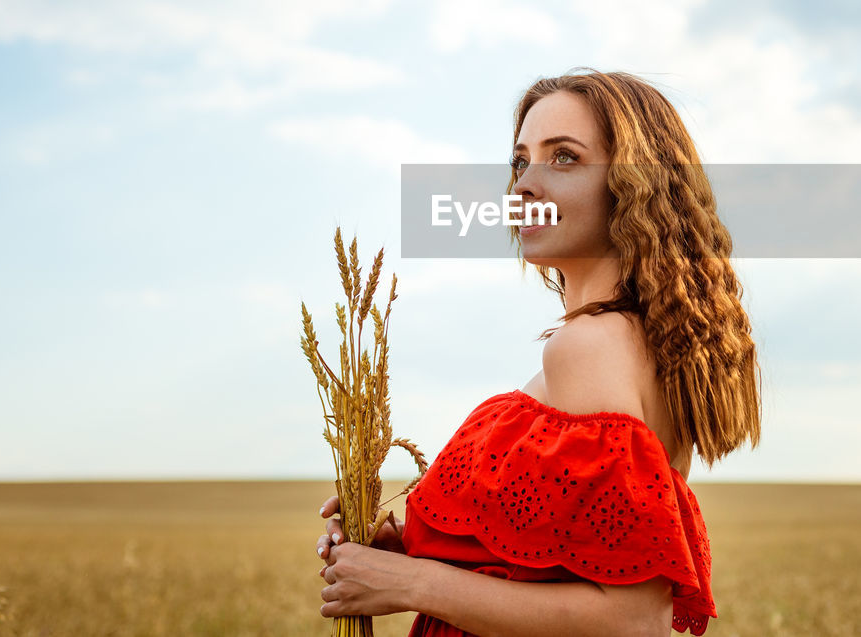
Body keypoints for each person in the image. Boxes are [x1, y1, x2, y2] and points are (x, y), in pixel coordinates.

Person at [314, 68, 762, 636]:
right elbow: (553, 558)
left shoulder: (589, 347)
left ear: (635, 184)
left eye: (565, 158)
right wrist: (407, 551)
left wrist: (410, 585)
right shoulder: (635, 340)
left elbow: (631, 617)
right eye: (521, 160)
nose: (523, 184)